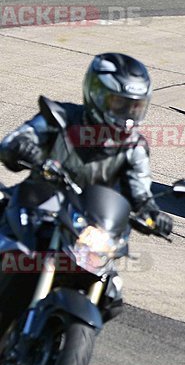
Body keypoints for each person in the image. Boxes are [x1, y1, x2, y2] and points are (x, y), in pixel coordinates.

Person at [0, 52, 173, 235]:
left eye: (135, 107)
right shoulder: (59, 117)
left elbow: (140, 192)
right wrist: (22, 147)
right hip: (32, 207)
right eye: (120, 104)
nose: (128, 114)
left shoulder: (134, 147)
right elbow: (11, 142)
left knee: (108, 261)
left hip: (88, 226)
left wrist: (152, 213)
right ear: (96, 94)